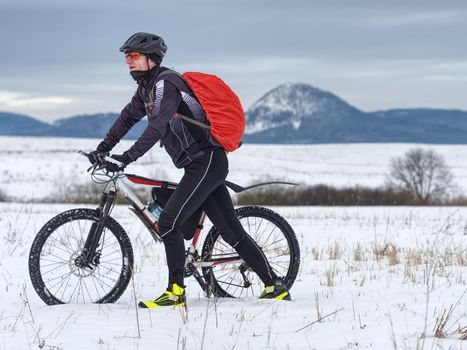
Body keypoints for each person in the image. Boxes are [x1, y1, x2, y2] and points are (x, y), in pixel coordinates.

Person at [89, 32, 290, 308]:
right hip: (202, 165)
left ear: (151, 58)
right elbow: (127, 118)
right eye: (126, 57)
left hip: (205, 162)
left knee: (168, 223)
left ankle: (175, 292)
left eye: (133, 56)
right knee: (231, 231)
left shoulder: (165, 83)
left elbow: (157, 126)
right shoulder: (146, 89)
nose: (128, 62)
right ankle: (275, 286)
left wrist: (126, 157)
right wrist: (103, 147)